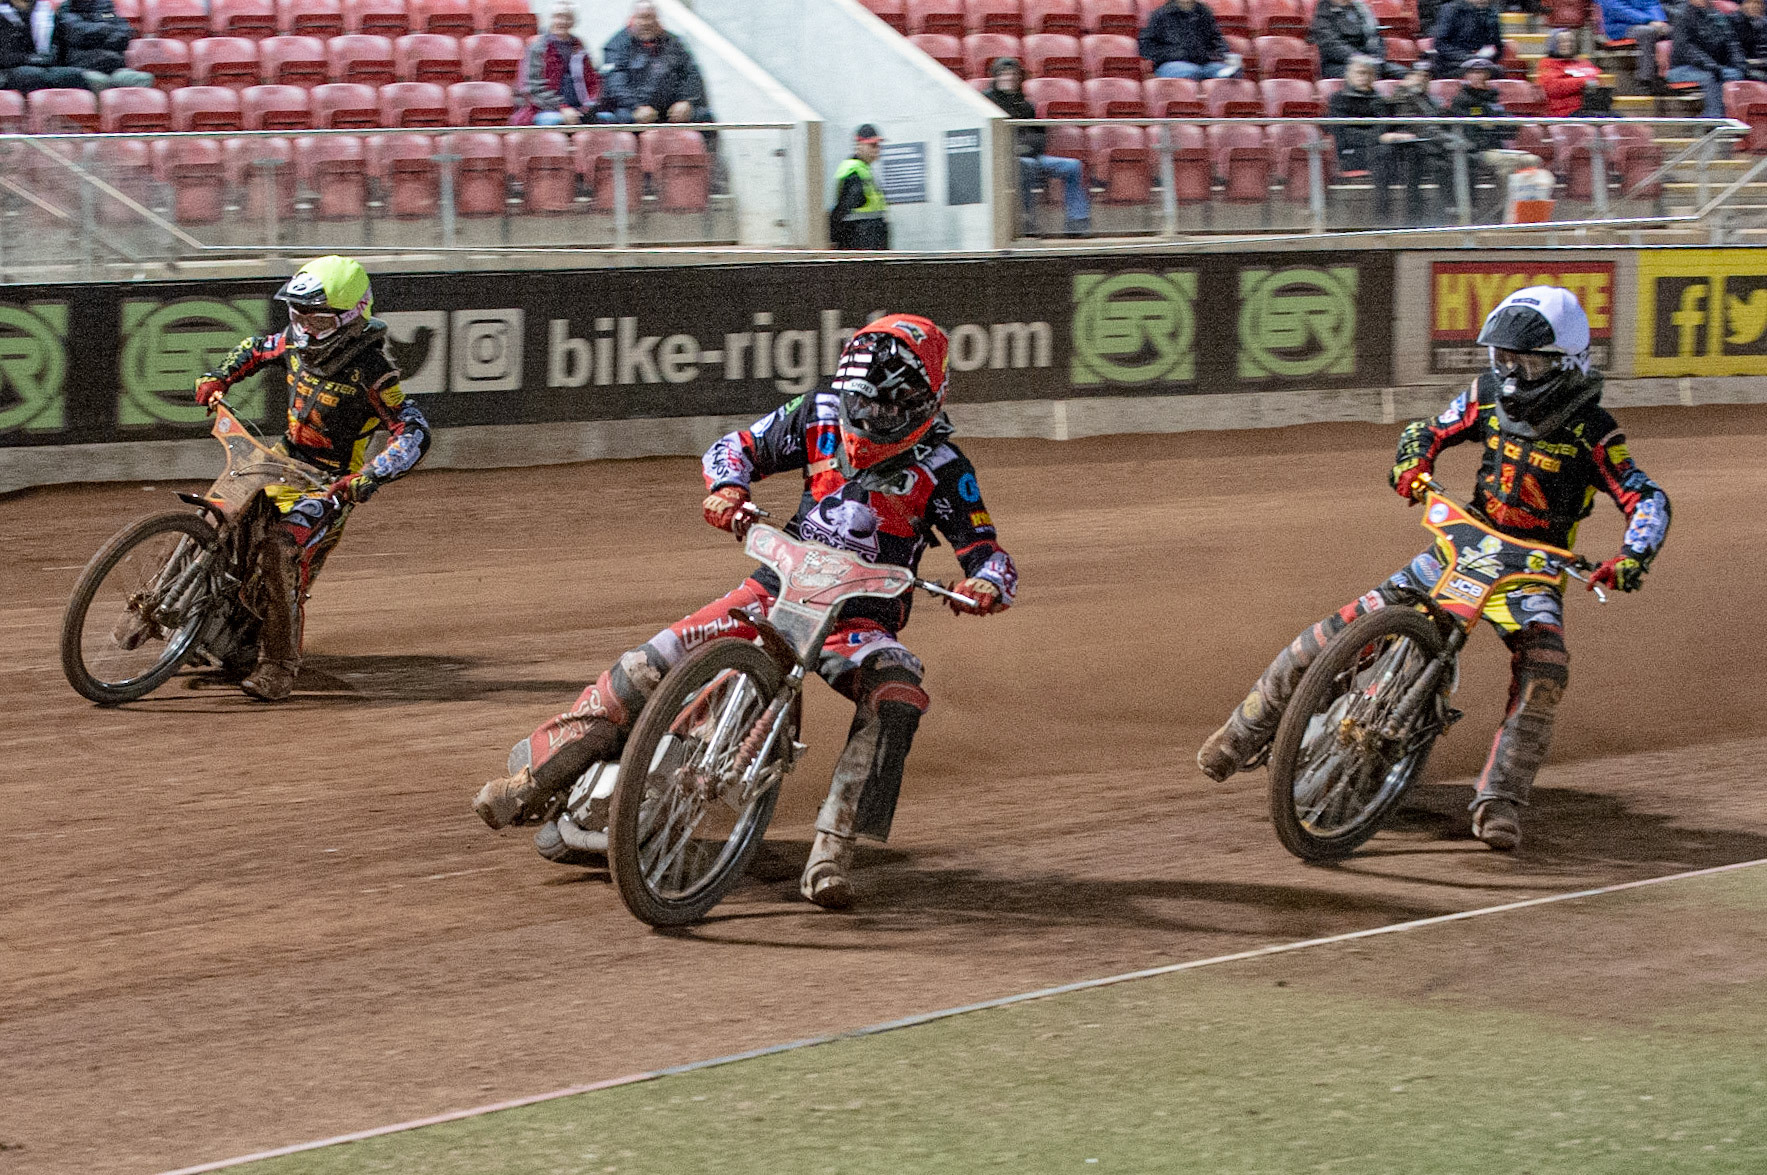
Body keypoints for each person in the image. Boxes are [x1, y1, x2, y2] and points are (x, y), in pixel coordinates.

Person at [473, 315, 1019, 908]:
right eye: (863, 403)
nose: (872, 419)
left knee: (899, 694)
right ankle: (530, 781)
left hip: (857, 621)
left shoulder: (946, 468)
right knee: (650, 662)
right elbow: (738, 446)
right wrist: (729, 488)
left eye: (890, 409)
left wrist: (987, 584)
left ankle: (833, 849)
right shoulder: (818, 412)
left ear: (926, 399)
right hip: (774, 588)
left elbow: (987, 552)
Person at [1198, 286, 1670, 852]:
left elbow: (1646, 498)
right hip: (1460, 546)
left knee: (1547, 669)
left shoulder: (1595, 431)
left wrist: (1632, 557)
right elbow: (1428, 429)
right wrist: (1412, 462)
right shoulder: (1486, 394)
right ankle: (1242, 730)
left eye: (1528, 360)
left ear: (1566, 364)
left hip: (1532, 572)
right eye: (1504, 358)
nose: (1513, 372)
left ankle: (1500, 799)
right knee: (1334, 631)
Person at [192, 257, 431, 702]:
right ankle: (197, 616)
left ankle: (278, 666)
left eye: (315, 317)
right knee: (216, 515)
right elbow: (254, 347)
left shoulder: (373, 371)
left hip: (328, 483)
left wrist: (370, 475)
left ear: (349, 317)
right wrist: (218, 376)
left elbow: (414, 430)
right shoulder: (295, 341)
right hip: (281, 457)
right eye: (297, 314)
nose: (303, 326)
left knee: (280, 549)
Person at [983, 56, 1092, 237]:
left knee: (1073, 166)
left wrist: (1027, 148)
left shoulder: (1026, 105)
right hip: (1001, 161)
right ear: (995, 77)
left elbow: (1039, 137)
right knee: (1027, 165)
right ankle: (1027, 221)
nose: (1008, 78)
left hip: (1030, 155)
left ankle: (1077, 221)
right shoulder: (986, 101)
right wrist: (1017, 150)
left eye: (1012, 74)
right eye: (1003, 74)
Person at [1448, 59, 1543, 212]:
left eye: (1481, 72)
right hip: (1476, 151)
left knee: (1532, 160)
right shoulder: (1461, 101)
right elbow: (1468, 133)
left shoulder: (1493, 97)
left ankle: (1530, 211)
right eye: (1473, 72)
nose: (1478, 76)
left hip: (1497, 147)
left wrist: (1498, 125)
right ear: (1467, 76)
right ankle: (1507, 212)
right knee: (1505, 166)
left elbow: (1508, 129)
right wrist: (1490, 128)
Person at [600, 0, 710, 124]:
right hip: (630, 110)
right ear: (633, 18)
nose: (646, 23)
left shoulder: (675, 43)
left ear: (658, 20)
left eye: (650, 18)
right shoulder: (616, 45)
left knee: (704, 117)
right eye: (642, 18)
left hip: (670, 111)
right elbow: (615, 82)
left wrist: (685, 101)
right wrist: (636, 107)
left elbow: (692, 74)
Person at [513, 2, 598, 126]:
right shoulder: (537, 48)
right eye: (558, 16)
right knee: (556, 121)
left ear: (574, 21)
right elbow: (532, 89)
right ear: (550, 19)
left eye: (567, 17)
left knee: (607, 119)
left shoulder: (579, 46)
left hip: (578, 108)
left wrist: (589, 105)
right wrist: (562, 108)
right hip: (543, 109)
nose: (562, 21)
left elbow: (593, 81)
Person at [43, 0, 153, 90]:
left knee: (142, 79)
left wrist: (97, 36)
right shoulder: (66, 10)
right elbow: (78, 34)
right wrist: (106, 30)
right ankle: (105, 115)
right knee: (99, 82)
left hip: (114, 67)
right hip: (84, 68)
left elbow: (125, 34)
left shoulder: (106, 6)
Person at [1668, 0, 1746, 117]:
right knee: (1711, 77)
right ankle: (1713, 120)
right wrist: (1712, 67)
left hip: (1714, 67)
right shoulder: (1682, 16)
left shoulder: (1718, 15)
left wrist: (1740, 65)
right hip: (1682, 68)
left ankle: (1737, 118)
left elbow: (1732, 43)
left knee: (1736, 74)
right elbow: (1687, 49)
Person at [1137, 0, 1242, 80]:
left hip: (1203, 64)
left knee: (1232, 74)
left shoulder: (1204, 13)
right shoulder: (1160, 15)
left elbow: (1216, 39)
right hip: (1170, 64)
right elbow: (1146, 44)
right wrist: (1170, 54)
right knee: (1191, 72)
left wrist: (1226, 55)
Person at [0, 0, 87, 93]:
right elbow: (5, 57)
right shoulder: (3, 13)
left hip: (45, 67)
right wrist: (33, 59)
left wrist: (50, 56)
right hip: (9, 70)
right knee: (28, 74)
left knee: (74, 75)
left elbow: (59, 46)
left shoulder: (45, 10)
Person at [829, 124, 889, 249]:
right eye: (872, 145)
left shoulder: (864, 170)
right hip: (861, 246)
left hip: (870, 246)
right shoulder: (853, 172)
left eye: (878, 145)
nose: (877, 149)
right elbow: (842, 212)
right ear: (859, 146)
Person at [1311, 0, 1405, 79]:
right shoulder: (1323, 12)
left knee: (1405, 75)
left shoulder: (1361, 8)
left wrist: (1376, 58)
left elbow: (1375, 38)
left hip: (1371, 62)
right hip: (1340, 65)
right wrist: (1360, 59)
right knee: (1364, 76)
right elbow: (1331, 44)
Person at [1596, 0, 1669, 92]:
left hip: (1647, 23)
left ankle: (1668, 77)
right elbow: (1616, 9)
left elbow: (1652, 3)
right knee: (1647, 32)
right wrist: (1648, 20)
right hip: (1620, 26)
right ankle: (1645, 82)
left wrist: (1659, 20)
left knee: (1670, 30)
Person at [1538, 28, 1613, 116]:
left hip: (1591, 107)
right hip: (1566, 112)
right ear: (1554, 45)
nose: (1568, 44)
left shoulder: (1583, 63)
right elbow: (1552, 87)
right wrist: (1583, 82)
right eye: (1562, 42)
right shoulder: (1548, 64)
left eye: (1570, 41)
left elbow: (1597, 80)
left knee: (1619, 120)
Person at [1429, 0, 1504, 74]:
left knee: (1497, 70)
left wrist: (1487, 54)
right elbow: (1440, 44)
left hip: (1481, 62)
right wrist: (1468, 57)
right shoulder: (1451, 10)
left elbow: (1497, 45)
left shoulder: (1491, 13)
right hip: (1452, 63)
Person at [1734, 0, 1767, 77]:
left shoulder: (1764, 23)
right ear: (1742, 5)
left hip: (1762, 64)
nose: (1754, 6)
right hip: (1744, 67)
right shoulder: (1735, 23)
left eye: (1758, 3)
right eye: (1750, 2)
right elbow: (1735, 53)